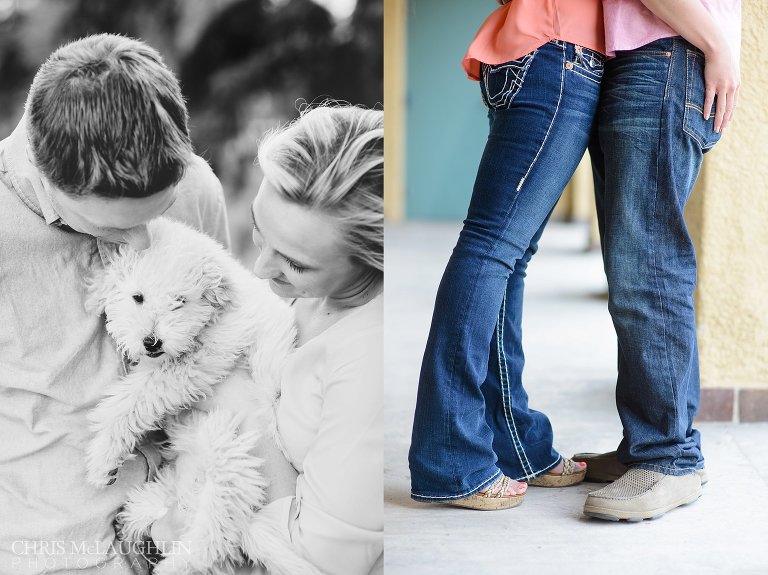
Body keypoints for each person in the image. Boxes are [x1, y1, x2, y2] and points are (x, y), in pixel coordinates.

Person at [0, 34, 229, 574]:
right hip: (54, 550)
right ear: (50, 178)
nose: (145, 243)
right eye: (114, 228)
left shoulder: (196, 185)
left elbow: (222, 336)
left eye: (160, 212)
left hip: (192, 528)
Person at [157, 105, 384, 574]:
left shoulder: (369, 358)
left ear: (372, 259)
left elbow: (324, 559)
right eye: (259, 232)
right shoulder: (317, 297)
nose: (260, 270)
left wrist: (240, 411)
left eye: (295, 264)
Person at [407, 0, 605, 509]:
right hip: (560, 53)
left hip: (534, 48)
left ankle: (516, 442)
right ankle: (452, 458)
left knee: (506, 254)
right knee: (492, 247)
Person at [576, 0, 740, 521]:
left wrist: (714, 45)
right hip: (650, 56)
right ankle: (647, 445)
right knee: (636, 270)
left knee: (647, 273)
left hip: (665, 53)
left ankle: (669, 459)